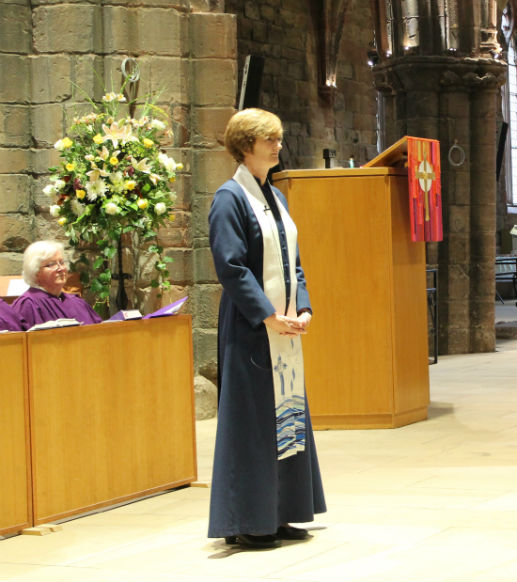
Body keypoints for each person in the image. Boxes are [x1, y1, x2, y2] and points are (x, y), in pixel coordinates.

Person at [207, 108, 326, 549]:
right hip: (251, 326)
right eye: (269, 140)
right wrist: (267, 314)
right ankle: (246, 520)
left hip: (284, 325)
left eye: (278, 138)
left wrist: (305, 306)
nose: (278, 146)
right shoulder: (229, 198)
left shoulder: (275, 196)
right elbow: (232, 267)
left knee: (286, 417)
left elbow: (293, 262)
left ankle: (280, 513)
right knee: (253, 421)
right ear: (245, 146)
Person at [13, 240, 101, 328]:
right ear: (35, 272)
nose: (61, 268)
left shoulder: (77, 302)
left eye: (62, 262)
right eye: (52, 264)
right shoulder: (28, 305)